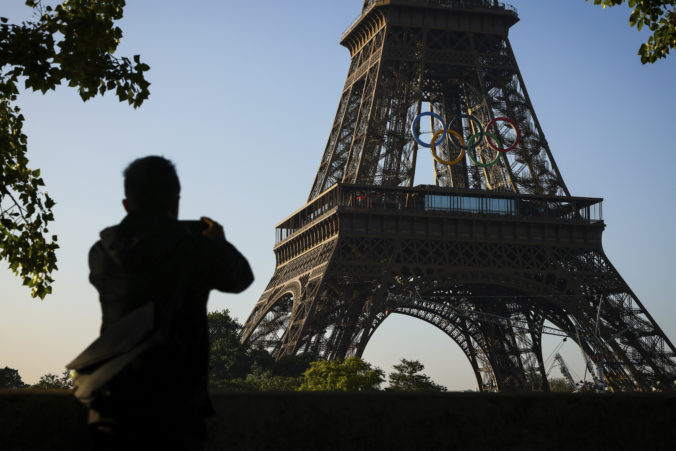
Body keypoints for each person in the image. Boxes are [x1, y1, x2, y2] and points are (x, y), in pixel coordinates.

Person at [86, 156, 254, 450]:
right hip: (176, 408)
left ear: (127, 205)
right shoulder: (194, 248)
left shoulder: (101, 252)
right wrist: (218, 244)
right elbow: (241, 279)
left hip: (113, 403)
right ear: (175, 203)